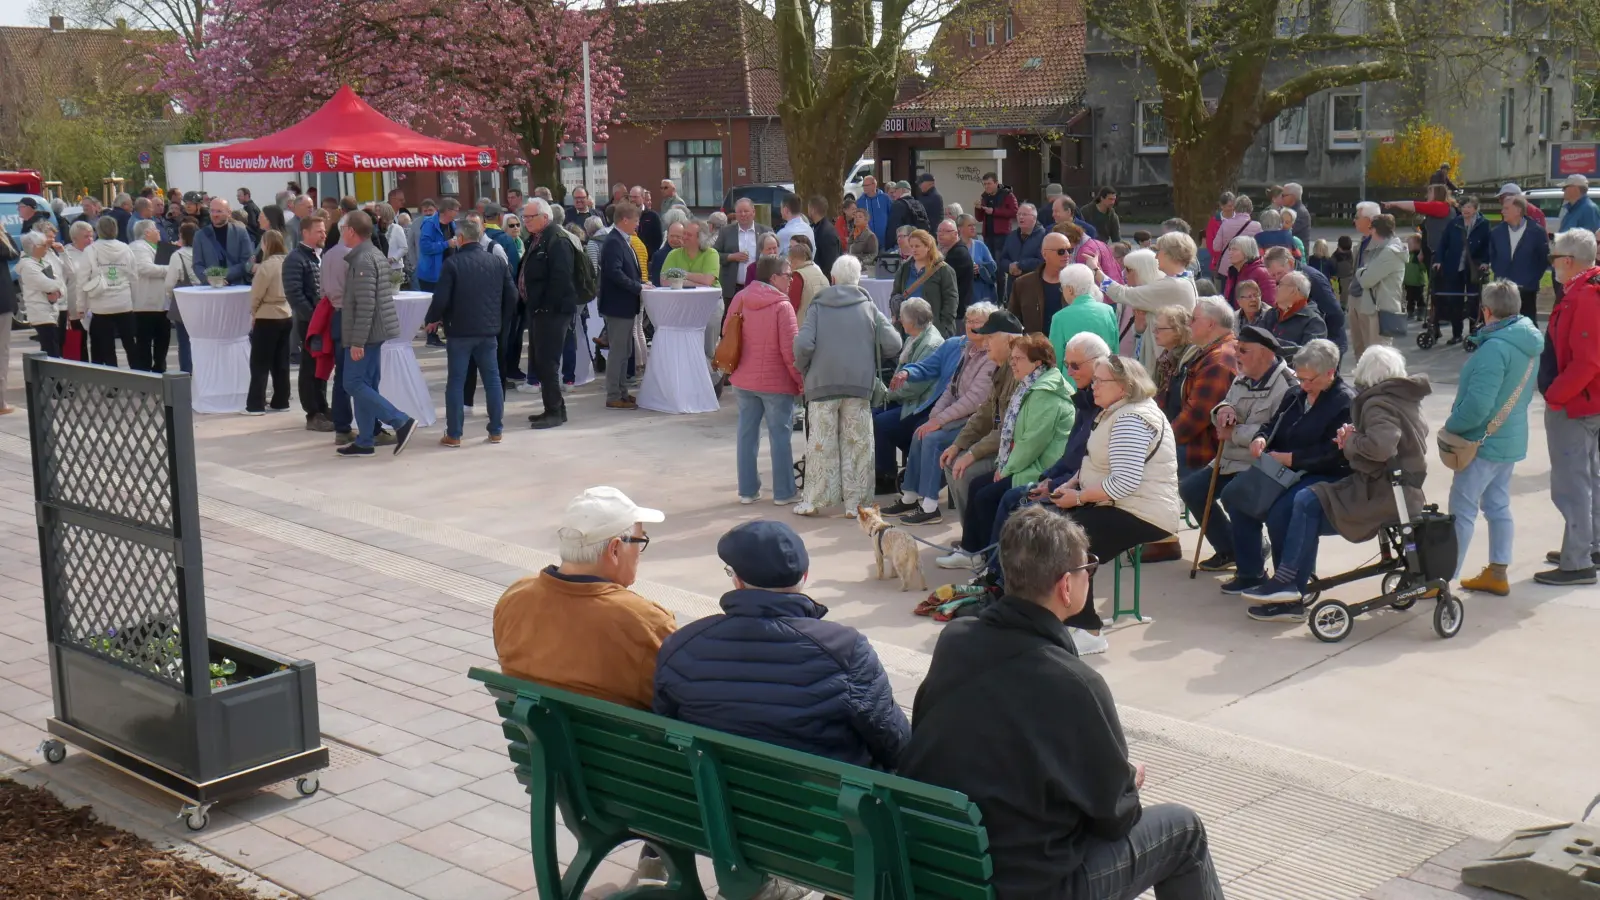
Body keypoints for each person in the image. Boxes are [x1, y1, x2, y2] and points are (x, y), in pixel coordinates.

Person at [904, 505, 1223, 899]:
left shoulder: (955, 641)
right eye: (1088, 567)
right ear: (1066, 587)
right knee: (1184, 830)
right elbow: (1116, 817)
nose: (1091, 573)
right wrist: (1126, 782)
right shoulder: (1075, 682)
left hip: (947, 863)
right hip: (1031, 884)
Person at [655, 518, 910, 768]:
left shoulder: (680, 646)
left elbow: (665, 732)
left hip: (712, 803)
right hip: (825, 805)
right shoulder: (845, 650)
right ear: (805, 576)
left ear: (738, 581)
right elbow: (897, 745)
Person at [1244, 345, 1431, 619]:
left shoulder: (1379, 403)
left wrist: (1350, 441)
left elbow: (1381, 447)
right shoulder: (1402, 399)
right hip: (1393, 490)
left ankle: (1289, 585)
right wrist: (1354, 435)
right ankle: (1291, 585)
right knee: (1303, 504)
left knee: (1306, 502)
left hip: (1384, 494)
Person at [494, 485, 674, 706]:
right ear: (615, 550)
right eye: (640, 540)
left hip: (541, 739)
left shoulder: (514, 598)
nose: (640, 553)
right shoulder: (648, 623)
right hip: (614, 739)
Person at [1219, 338, 1353, 597]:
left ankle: (1288, 582)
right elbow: (1273, 424)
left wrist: (1291, 458)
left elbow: (1334, 453)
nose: (1303, 386)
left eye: (1309, 380)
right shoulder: (1296, 394)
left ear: (1330, 373)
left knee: (1282, 512)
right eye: (1300, 379)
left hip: (1319, 472)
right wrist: (1261, 437)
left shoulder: (1344, 402)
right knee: (1236, 498)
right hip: (1281, 466)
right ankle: (1250, 572)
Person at [1438, 281, 1539, 595]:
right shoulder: (1527, 340)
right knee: (1497, 505)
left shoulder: (1495, 348)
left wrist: (1451, 425)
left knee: (1462, 511)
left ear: (1486, 310)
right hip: (1509, 438)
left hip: (1482, 441)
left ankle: (1443, 578)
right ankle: (1498, 570)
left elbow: (1479, 405)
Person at [950, 333, 1077, 572]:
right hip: (1030, 463)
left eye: (1018, 359)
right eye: (1013, 358)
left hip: (1043, 469)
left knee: (986, 496)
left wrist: (1005, 469)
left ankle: (991, 562)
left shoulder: (1045, 393)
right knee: (978, 486)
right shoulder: (1032, 386)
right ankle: (973, 552)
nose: (1013, 363)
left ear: (1037, 363)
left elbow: (1031, 442)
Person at [793, 254, 903, 517]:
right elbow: (894, 344)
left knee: (821, 444)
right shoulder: (868, 307)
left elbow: (803, 344)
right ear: (857, 279)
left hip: (822, 385)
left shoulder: (818, 307)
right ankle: (857, 505)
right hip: (859, 385)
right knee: (858, 444)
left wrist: (804, 367)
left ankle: (815, 501)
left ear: (833, 278)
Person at [1183, 325, 1298, 571]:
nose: (1237, 355)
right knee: (1191, 490)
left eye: (1243, 350)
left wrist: (1234, 432)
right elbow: (1229, 402)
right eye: (1237, 349)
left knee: (1234, 498)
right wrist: (1224, 410)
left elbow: (1277, 432)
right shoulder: (1244, 375)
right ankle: (1230, 549)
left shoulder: (1287, 384)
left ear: (1265, 354)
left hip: (1259, 463)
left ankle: (1252, 567)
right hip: (1230, 459)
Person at [884, 302, 1001, 524]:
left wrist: (939, 421)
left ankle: (930, 506)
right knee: (921, 431)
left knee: (933, 438)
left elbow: (974, 400)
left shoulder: (990, 357)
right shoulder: (964, 348)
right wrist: (933, 417)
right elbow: (951, 389)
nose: (971, 325)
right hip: (957, 413)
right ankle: (909, 497)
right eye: (968, 320)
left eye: (978, 322)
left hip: (977, 418)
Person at [1537, 228, 1600, 585]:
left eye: (1555, 258)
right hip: (1584, 401)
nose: (1552, 265)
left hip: (1576, 404)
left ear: (1569, 261)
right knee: (1588, 476)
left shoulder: (1583, 297)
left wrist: (1556, 395)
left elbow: (1587, 361)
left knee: (1572, 483)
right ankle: (1588, 546)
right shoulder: (1583, 291)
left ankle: (1578, 562)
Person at [427, 213, 515, 447]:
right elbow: (512, 294)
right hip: (488, 331)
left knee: (456, 381)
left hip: (460, 331)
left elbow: (441, 298)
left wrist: (432, 320)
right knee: (492, 380)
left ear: (462, 237)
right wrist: (501, 321)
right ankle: (496, 430)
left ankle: (454, 434)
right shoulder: (496, 262)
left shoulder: (453, 263)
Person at [338, 211, 418, 458]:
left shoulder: (363, 259)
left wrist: (357, 341)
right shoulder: (372, 254)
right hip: (375, 331)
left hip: (367, 333)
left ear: (351, 231)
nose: (341, 233)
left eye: (343, 229)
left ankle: (400, 420)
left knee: (352, 383)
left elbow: (366, 304)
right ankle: (365, 440)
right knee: (366, 384)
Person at [727, 254, 805, 504]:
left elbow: (727, 333)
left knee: (746, 435)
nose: (791, 279)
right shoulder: (783, 306)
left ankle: (747, 491)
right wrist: (800, 381)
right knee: (779, 436)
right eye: (788, 274)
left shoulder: (740, 298)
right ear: (773, 277)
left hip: (743, 378)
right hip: (776, 383)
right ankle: (783, 492)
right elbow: (790, 351)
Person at [938, 310, 1025, 523]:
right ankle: (972, 535)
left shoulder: (1019, 372)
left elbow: (1008, 430)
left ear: (1010, 340)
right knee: (952, 461)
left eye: (990, 338)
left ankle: (976, 543)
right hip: (1002, 448)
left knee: (966, 471)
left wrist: (972, 453)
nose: (984, 344)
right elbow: (984, 413)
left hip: (1015, 455)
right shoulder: (1001, 368)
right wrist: (959, 444)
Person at [1090, 233, 1200, 371]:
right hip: (1166, 355)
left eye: (1159, 251)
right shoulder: (1183, 280)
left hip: (1165, 359)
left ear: (1170, 254)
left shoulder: (1173, 285)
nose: (1156, 256)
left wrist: (1096, 270)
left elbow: (1122, 293)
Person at [873, 298, 946, 487]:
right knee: (872, 414)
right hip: (909, 399)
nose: (899, 321)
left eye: (902, 319)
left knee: (880, 422)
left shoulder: (931, 344)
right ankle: (883, 468)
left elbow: (916, 386)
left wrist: (888, 394)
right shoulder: (915, 337)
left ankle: (887, 476)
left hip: (922, 405)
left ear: (912, 322)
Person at [522, 199, 578, 430]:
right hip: (538, 311)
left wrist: (545, 306)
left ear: (544, 218)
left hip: (552, 312)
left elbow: (561, 279)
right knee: (541, 361)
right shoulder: (537, 239)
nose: (525, 222)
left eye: (529, 217)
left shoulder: (557, 240)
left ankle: (554, 411)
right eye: (524, 217)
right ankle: (554, 408)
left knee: (548, 362)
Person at [1170, 299, 1240, 479]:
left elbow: (1196, 416)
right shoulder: (1210, 351)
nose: (1189, 324)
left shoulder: (1219, 360)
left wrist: (1162, 440)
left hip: (1202, 450)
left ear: (1210, 324)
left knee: (1140, 459)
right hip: (1196, 441)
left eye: (1194, 319)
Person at [281, 214, 332, 432]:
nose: (324, 234)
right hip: (309, 322)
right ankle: (313, 412)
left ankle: (322, 407)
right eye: (319, 231)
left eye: (324, 230)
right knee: (310, 366)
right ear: (305, 233)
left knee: (322, 366)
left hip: (323, 320)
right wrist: (314, 319)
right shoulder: (295, 259)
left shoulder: (320, 256)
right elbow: (295, 294)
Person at [600, 201, 646, 410]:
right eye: (635, 221)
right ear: (625, 220)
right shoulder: (614, 242)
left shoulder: (623, 240)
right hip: (618, 306)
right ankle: (613, 394)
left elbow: (627, 271)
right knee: (618, 352)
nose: (637, 225)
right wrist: (638, 287)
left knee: (625, 350)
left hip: (626, 306)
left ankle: (622, 391)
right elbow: (615, 273)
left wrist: (642, 284)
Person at [243, 230, 293, 415]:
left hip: (267, 314)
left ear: (266, 244)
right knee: (281, 361)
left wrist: (254, 312)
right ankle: (281, 400)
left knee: (260, 362)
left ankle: (256, 404)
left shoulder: (266, 266)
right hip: (286, 313)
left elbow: (256, 294)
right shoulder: (289, 262)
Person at [1433, 195, 1493, 343]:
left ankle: (1473, 333)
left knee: (1474, 300)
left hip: (1473, 267)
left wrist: (1485, 262)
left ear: (1475, 209)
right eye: (1463, 206)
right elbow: (1443, 243)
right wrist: (1439, 260)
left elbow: (1488, 245)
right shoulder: (1454, 223)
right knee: (1454, 300)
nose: (1465, 210)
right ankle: (1456, 334)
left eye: (1469, 207)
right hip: (1454, 266)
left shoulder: (1483, 224)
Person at [82, 216, 137, 367]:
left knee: (107, 346)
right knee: (130, 343)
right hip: (124, 301)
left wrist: (81, 306)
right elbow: (133, 275)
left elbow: (82, 281)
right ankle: (140, 377)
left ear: (98, 230)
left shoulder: (90, 250)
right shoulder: (126, 248)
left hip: (101, 304)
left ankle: (113, 384)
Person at [1350, 212, 1405, 357]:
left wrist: (1361, 271)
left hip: (1382, 308)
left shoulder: (1389, 252)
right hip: (1379, 306)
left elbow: (1366, 280)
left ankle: (1381, 380)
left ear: (1374, 230)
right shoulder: (1385, 249)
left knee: (1380, 353)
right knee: (1377, 351)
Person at [1489, 194, 1550, 324]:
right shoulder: (1496, 232)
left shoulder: (1537, 232)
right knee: (1502, 324)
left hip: (1527, 288)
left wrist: (1532, 278)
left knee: (1527, 323)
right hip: (1503, 289)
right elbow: (1493, 256)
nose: (1502, 211)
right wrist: (1500, 273)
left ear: (1518, 210)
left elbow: (1543, 259)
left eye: (1506, 208)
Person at [1048, 262, 1119, 368]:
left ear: (1070, 289)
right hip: (1104, 375)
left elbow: (1056, 359)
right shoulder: (1108, 310)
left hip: (1072, 381)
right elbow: (1115, 349)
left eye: (1062, 288)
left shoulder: (1059, 318)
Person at [892, 228, 958, 337]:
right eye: (911, 246)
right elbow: (895, 293)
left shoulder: (943, 270)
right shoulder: (905, 268)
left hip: (933, 329)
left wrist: (943, 326)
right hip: (908, 329)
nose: (914, 250)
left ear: (927, 246)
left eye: (917, 246)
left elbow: (951, 300)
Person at [1009, 231, 1073, 334]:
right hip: (1035, 346)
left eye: (1070, 250)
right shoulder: (1023, 283)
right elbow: (1012, 320)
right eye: (1061, 251)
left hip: (1068, 347)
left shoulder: (1077, 282)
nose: (1067, 255)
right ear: (1045, 254)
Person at [128, 220, 171, 372]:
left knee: (163, 339)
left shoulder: (156, 247)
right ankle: (145, 373)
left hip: (161, 302)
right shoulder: (138, 247)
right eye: (156, 229)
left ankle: (159, 368)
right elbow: (144, 268)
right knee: (144, 341)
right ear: (146, 233)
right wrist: (170, 269)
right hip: (146, 303)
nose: (159, 232)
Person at [16, 232, 64, 359]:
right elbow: (48, 285)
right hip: (40, 313)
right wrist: (58, 285)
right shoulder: (28, 266)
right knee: (51, 350)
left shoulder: (42, 262)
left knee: (51, 348)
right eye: (43, 245)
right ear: (34, 247)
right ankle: (51, 378)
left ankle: (49, 377)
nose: (46, 247)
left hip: (50, 312)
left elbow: (59, 280)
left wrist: (58, 288)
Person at [1260, 269, 1328, 352]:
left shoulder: (1313, 321)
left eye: (1280, 284)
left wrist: (1272, 343)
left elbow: (1309, 355)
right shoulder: (1271, 314)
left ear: (1293, 290)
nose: (1276, 288)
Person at [193, 198, 255, 286]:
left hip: (236, 287)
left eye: (219, 211)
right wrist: (209, 278)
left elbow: (247, 261)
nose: (215, 215)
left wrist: (222, 274)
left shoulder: (240, 233)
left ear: (229, 213)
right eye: (212, 211)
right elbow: (197, 264)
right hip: (210, 289)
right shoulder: (200, 235)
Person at [1151, 306, 1197, 424]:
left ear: (1178, 330)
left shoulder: (1190, 359)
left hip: (1178, 428)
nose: (1154, 332)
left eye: (1159, 329)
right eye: (1155, 328)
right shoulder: (1164, 358)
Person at [976, 172, 1019, 282]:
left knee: (1000, 267)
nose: (986, 187)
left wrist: (995, 211)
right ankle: (992, 293)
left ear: (996, 183)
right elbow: (979, 218)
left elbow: (1015, 212)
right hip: (988, 235)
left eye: (989, 184)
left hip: (1002, 235)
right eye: (984, 184)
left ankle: (1001, 297)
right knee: (988, 265)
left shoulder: (1007, 195)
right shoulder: (984, 196)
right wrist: (978, 208)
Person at [1210, 193, 1260, 277]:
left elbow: (1216, 247)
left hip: (1227, 267)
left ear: (1235, 209)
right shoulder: (1257, 226)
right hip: (1249, 267)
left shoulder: (1225, 224)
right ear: (1251, 209)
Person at [998, 202, 1046, 289]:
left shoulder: (1044, 236)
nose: (1020, 217)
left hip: (1034, 286)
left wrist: (1020, 265)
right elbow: (1002, 259)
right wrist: (1009, 266)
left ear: (1034, 217)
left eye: (1024, 214)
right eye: (1019, 214)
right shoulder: (1012, 236)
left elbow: (1043, 261)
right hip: (1013, 286)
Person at [1060, 221, 1123, 287]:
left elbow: (1088, 282)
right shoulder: (1100, 243)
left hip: (1103, 293)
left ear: (1067, 239)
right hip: (1116, 286)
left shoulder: (1083, 253)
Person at [1221, 234, 1275, 310]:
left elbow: (1269, 303)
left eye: (1234, 249)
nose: (1230, 253)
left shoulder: (1261, 272)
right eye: (1229, 249)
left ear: (1247, 251)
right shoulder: (1233, 272)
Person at [417, 197, 459, 295]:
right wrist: (446, 244)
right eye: (456, 210)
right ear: (448, 211)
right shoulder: (429, 224)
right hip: (431, 277)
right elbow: (425, 247)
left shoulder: (452, 224)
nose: (457, 213)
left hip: (448, 273)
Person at [936, 217, 974, 316]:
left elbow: (941, 280)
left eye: (945, 231)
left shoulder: (958, 253)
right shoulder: (946, 250)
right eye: (939, 231)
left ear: (955, 233)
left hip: (957, 311)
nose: (940, 234)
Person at [786, 236, 828, 322]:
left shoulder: (798, 276)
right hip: (823, 325)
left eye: (790, 260)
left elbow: (792, 306)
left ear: (794, 259)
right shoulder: (822, 275)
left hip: (804, 327)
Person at [959, 214, 999, 306]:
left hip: (980, 293)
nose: (973, 228)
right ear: (960, 228)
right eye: (969, 225)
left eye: (974, 225)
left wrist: (980, 267)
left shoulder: (980, 245)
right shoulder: (955, 247)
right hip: (963, 293)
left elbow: (993, 266)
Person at [807, 195, 843, 277]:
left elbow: (830, 263)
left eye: (808, 208)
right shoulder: (818, 228)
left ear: (813, 210)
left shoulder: (826, 233)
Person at [858, 175, 893, 250]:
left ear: (874, 185)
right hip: (868, 242)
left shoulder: (885, 198)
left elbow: (892, 216)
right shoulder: (860, 202)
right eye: (863, 185)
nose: (864, 187)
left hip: (885, 242)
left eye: (866, 185)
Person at [1403, 234, 1427, 321]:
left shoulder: (1418, 256)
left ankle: (1421, 312)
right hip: (1408, 282)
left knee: (1420, 298)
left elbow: (1424, 268)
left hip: (1417, 282)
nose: (1408, 246)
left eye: (1410, 244)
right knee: (1410, 298)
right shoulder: (1408, 255)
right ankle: (1410, 312)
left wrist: (1421, 262)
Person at [1281, 182, 1312, 247]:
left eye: (1283, 195)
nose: (1281, 198)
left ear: (1292, 197)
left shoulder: (1300, 213)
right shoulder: (1290, 210)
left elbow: (1284, 232)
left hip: (1297, 255)